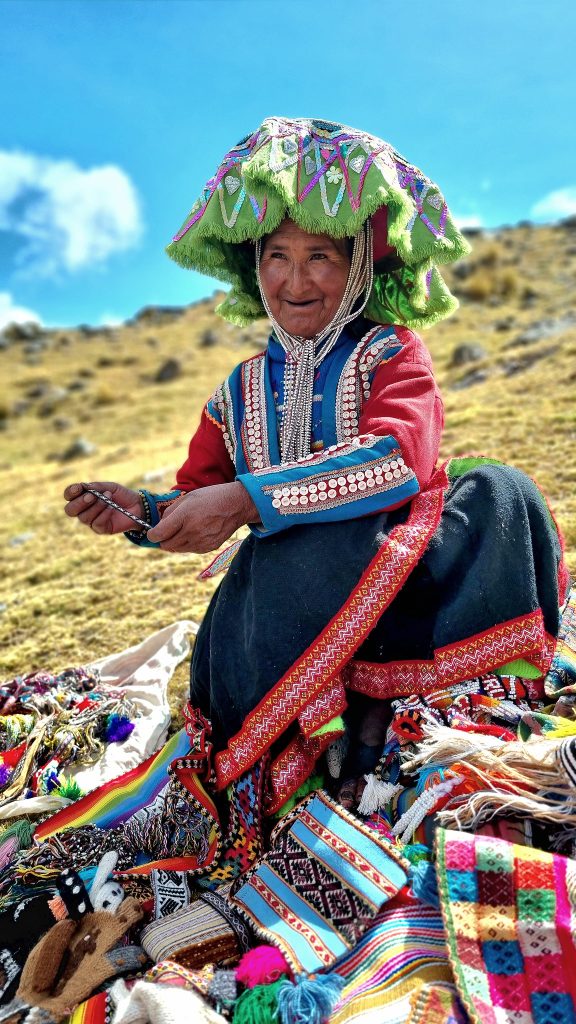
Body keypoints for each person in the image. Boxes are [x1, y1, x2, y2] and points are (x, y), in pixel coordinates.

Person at [64, 117, 568, 818]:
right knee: (277, 560)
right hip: (291, 606)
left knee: (497, 493)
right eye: (276, 256)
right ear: (253, 266)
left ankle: (428, 713)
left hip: (410, 590)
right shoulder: (236, 393)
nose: (295, 280)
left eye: (321, 257)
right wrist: (141, 514)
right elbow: (199, 501)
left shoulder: (390, 352)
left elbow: (397, 461)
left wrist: (249, 501)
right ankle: (321, 741)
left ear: (359, 263)